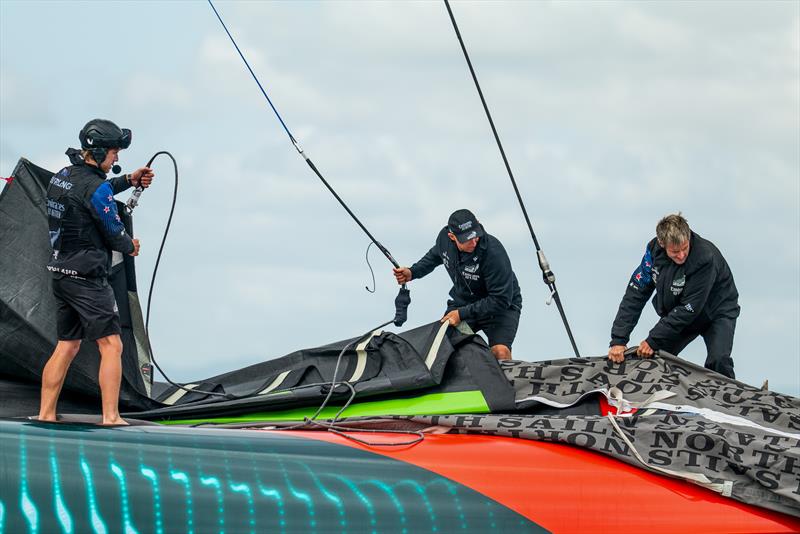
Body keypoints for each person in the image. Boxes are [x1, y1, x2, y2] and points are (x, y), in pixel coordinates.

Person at [38, 119, 154, 425]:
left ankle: (46, 414)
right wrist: (130, 245)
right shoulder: (96, 188)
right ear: (101, 151)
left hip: (61, 274)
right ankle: (111, 417)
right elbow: (115, 233)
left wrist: (129, 179)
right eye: (115, 152)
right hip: (88, 280)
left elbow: (93, 192)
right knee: (112, 345)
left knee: (67, 345)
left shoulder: (63, 175)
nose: (117, 158)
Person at [608, 213, 740, 378]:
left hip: (716, 311)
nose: (682, 255)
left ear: (689, 236)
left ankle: (728, 401)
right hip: (678, 312)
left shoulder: (705, 258)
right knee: (654, 360)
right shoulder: (653, 253)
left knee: (718, 360)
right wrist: (619, 340)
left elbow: (689, 308)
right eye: (675, 251)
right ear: (662, 244)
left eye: (685, 248)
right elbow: (635, 294)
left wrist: (653, 340)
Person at [393, 209, 522, 360]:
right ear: (452, 237)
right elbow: (435, 256)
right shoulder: (444, 239)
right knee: (443, 347)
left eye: (476, 236)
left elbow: (500, 299)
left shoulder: (494, 252)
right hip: (464, 302)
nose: (474, 242)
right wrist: (412, 272)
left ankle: (502, 381)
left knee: (500, 352)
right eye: (467, 239)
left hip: (499, 307)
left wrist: (460, 314)